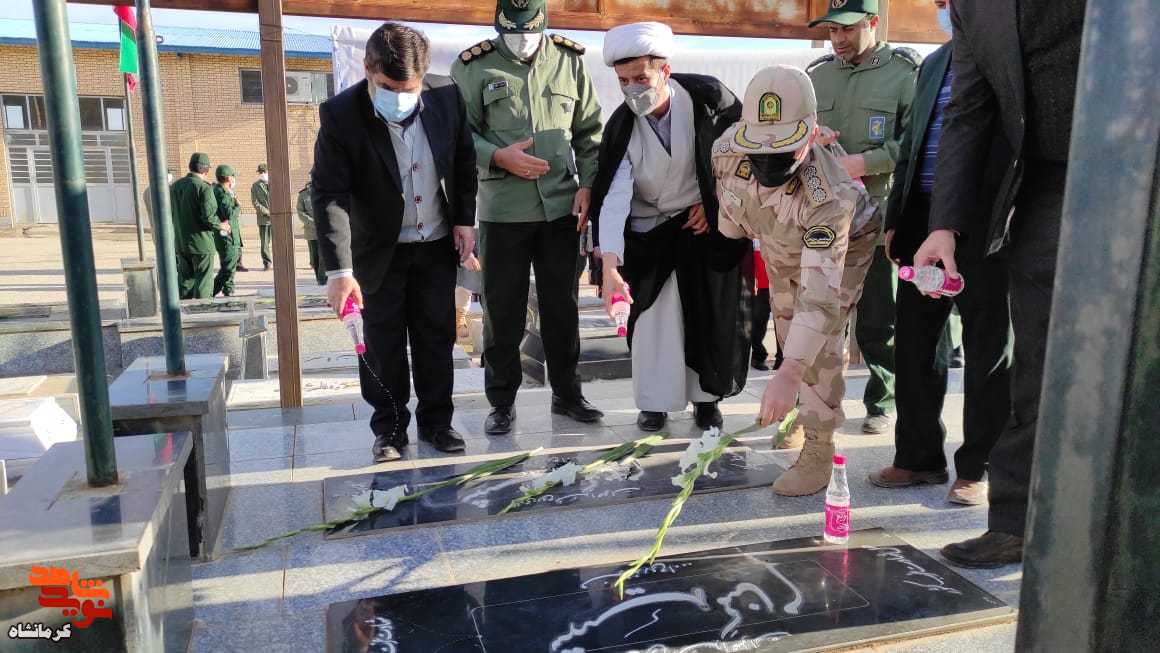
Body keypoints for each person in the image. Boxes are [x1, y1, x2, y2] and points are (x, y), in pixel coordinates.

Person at [914, 0, 1086, 568]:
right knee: (1035, 364)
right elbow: (968, 112)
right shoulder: (973, 9)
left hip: (1141, 171)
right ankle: (1016, 522)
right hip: (1045, 189)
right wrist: (944, 226)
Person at [868, 0, 1013, 507]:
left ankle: (980, 466)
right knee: (913, 343)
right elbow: (912, 143)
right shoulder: (932, 63)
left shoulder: (1007, 56)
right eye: (941, 3)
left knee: (988, 347)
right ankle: (918, 457)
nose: (946, 10)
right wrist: (897, 218)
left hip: (986, 220)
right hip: (923, 220)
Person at [313, 23, 478, 462]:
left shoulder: (446, 96)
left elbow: (464, 159)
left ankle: (438, 423)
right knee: (382, 345)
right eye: (389, 88)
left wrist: (465, 219)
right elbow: (329, 194)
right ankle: (389, 428)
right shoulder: (341, 115)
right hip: (377, 250)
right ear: (368, 69)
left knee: (436, 337)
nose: (401, 97)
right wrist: (340, 272)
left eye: (410, 89)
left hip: (434, 241)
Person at [713, 65, 879, 497]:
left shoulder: (831, 195)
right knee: (785, 319)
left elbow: (820, 299)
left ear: (811, 136)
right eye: (758, 151)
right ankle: (800, 409)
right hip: (779, 236)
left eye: (783, 150)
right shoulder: (726, 150)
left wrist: (788, 373)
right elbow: (729, 205)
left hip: (844, 245)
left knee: (818, 337)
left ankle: (819, 447)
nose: (768, 162)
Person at [451, 0, 605, 435]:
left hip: (561, 209)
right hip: (503, 212)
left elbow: (589, 133)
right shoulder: (474, 66)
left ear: (543, 24)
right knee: (503, 311)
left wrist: (588, 185)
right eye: (512, 33)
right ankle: (501, 402)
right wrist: (498, 156)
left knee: (562, 308)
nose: (521, 41)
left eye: (529, 32)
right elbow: (460, 135)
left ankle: (568, 394)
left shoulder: (569, 62)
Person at [590, 21, 751, 433]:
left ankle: (706, 399)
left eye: (640, 78)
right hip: (650, 233)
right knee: (653, 322)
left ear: (664, 70)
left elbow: (742, 162)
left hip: (703, 226)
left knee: (706, 313)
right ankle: (654, 403)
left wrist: (712, 204)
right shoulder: (622, 126)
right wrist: (610, 264)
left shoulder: (709, 101)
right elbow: (614, 198)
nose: (632, 89)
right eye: (623, 81)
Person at [806, 0, 919, 434]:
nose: (837, 39)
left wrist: (864, 162)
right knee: (819, 314)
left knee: (878, 319)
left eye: (847, 29)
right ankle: (815, 404)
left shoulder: (905, 75)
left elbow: (916, 142)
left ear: (872, 23)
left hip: (877, 217)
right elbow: (794, 135)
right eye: (832, 30)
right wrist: (812, 138)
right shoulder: (817, 76)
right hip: (824, 218)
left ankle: (881, 401)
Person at [170, 152, 219, 300]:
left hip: (181, 242)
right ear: (206, 170)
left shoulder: (175, 186)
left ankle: (182, 311)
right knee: (204, 282)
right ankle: (202, 311)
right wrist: (222, 226)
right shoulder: (204, 188)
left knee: (185, 281)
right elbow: (209, 218)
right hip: (201, 243)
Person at [212, 164, 242, 297]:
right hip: (227, 237)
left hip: (229, 235)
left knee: (230, 266)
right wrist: (238, 206)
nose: (234, 179)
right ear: (228, 178)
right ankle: (210, 293)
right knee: (228, 268)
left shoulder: (224, 191)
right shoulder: (222, 193)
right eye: (233, 176)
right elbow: (229, 214)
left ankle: (228, 292)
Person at [297, 180, 326, 286]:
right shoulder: (303, 195)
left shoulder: (325, 191)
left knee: (323, 256)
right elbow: (300, 212)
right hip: (311, 232)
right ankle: (319, 277)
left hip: (324, 231)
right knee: (314, 258)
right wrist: (314, 223)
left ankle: (322, 279)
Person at [251, 163, 272, 270]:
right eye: (260, 172)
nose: (262, 174)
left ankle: (280, 261)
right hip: (264, 218)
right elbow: (255, 202)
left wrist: (275, 212)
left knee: (280, 242)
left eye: (264, 172)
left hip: (277, 218)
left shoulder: (275, 182)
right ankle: (267, 262)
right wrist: (267, 212)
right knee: (264, 243)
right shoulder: (255, 186)